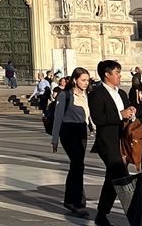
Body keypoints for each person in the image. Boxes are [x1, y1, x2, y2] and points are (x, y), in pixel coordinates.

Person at [88, 59, 136, 226]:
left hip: (122, 141)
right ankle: (135, 212)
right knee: (121, 175)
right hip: (107, 142)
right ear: (107, 74)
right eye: (116, 72)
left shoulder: (121, 93)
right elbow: (97, 118)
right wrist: (119, 114)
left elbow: (128, 110)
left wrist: (131, 111)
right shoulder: (96, 93)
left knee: (113, 177)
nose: (119, 76)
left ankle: (102, 214)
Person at [51, 66, 93, 216]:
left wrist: (93, 128)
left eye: (87, 80)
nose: (86, 83)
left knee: (77, 166)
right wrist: (54, 138)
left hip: (82, 131)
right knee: (78, 164)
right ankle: (77, 202)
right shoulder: (65, 95)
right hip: (68, 132)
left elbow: (88, 116)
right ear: (75, 80)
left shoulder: (86, 95)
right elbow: (58, 117)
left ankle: (70, 199)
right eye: (83, 80)